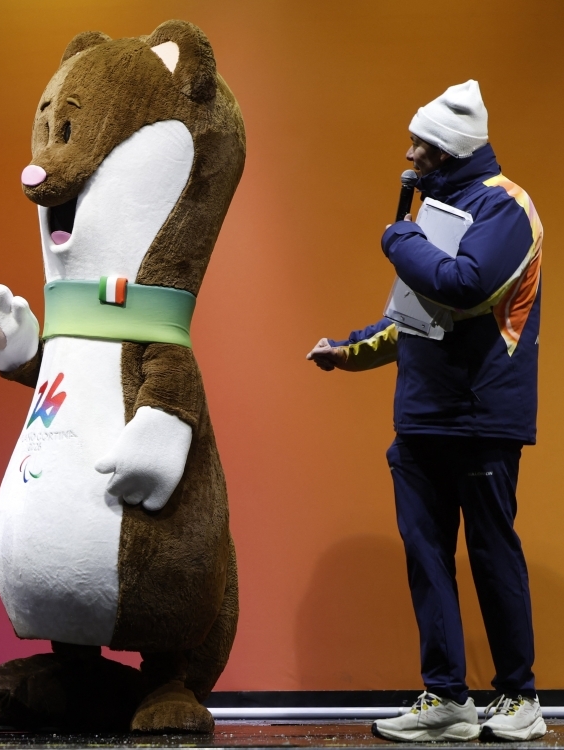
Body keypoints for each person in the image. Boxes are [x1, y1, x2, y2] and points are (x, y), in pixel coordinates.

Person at [308, 80, 544, 743]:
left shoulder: (506, 209)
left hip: (480, 417)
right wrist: (347, 349)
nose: (408, 154)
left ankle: (519, 699)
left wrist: (397, 240)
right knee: (428, 557)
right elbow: (415, 319)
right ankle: (447, 699)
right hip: (422, 418)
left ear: (447, 150)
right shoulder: (433, 216)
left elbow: (465, 287)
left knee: (493, 554)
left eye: (421, 144)